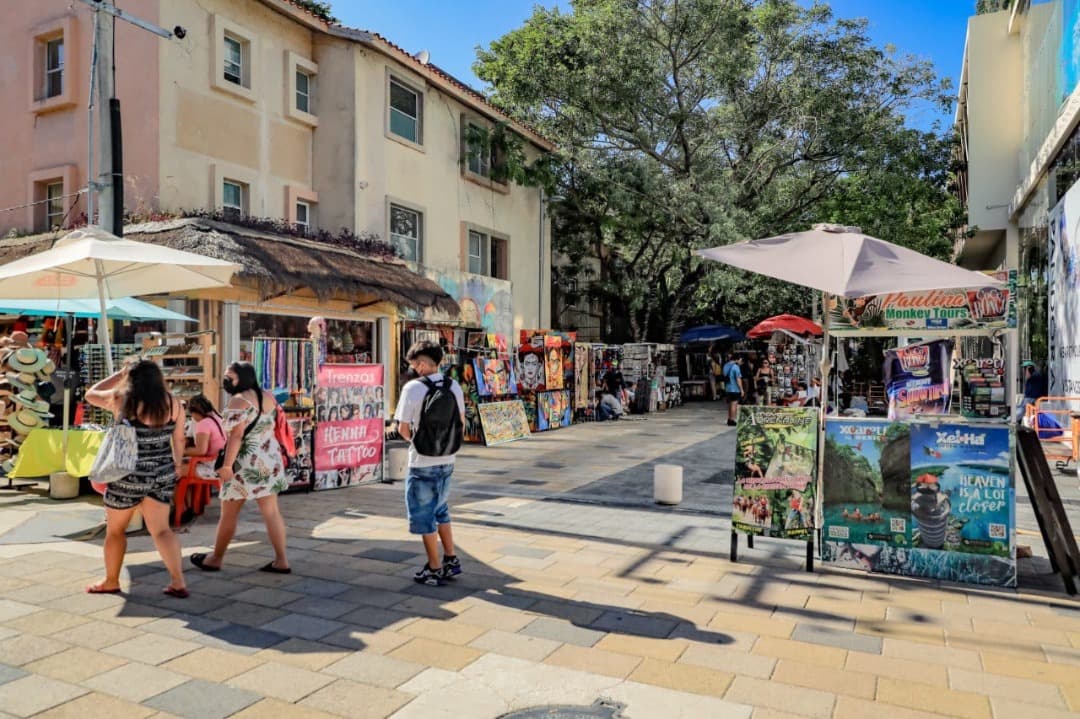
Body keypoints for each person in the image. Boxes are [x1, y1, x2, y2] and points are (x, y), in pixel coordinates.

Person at [84, 358, 188, 597]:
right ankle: (178, 581)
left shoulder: (123, 400)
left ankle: (111, 580)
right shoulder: (174, 404)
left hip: (125, 474)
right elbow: (180, 438)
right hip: (161, 473)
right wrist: (177, 463)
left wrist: (119, 375)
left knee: (115, 531)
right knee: (162, 530)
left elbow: (91, 394)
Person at [190, 362, 290, 574]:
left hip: (244, 463)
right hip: (269, 459)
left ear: (242, 378)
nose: (226, 380)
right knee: (272, 512)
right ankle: (281, 560)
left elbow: (236, 436)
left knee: (228, 514)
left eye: (230, 376)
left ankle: (215, 558)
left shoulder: (238, 401)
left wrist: (227, 465)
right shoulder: (268, 396)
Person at [392, 341, 466, 586]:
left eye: (414, 365)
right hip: (448, 459)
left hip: (422, 462)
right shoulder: (454, 386)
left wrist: (416, 440)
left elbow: (402, 429)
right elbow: (462, 423)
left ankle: (434, 567)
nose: (413, 369)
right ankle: (451, 558)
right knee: (441, 509)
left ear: (422, 364)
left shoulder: (412, 388)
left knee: (424, 515)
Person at [181, 394, 226, 479]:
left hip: (212, 468)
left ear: (194, 412)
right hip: (221, 463)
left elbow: (201, 451)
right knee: (184, 467)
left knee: (175, 471)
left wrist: (181, 451)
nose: (193, 418)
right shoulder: (218, 417)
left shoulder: (203, 423)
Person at [722, 353, 744, 426]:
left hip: (727, 388)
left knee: (729, 404)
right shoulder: (735, 367)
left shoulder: (726, 365)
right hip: (734, 388)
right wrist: (741, 389)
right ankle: (732, 419)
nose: (741, 362)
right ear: (737, 359)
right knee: (734, 404)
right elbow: (738, 379)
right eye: (741, 360)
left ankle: (729, 418)